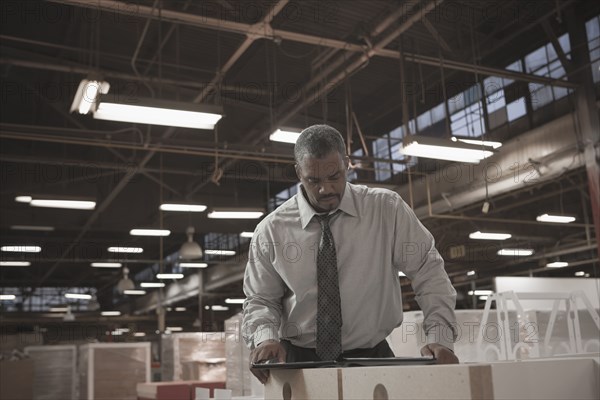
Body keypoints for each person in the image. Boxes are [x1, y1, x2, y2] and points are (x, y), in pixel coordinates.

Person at [242, 124, 458, 384]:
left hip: (374, 357)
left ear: (346, 163)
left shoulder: (386, 210)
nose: (326, 189)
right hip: (297, 363)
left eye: (334, 176)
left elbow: (429, 271)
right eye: (314, 180)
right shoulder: (271, 230)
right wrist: (265, 338)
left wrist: (440, 338)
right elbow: (261, 298)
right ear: (299, 172)